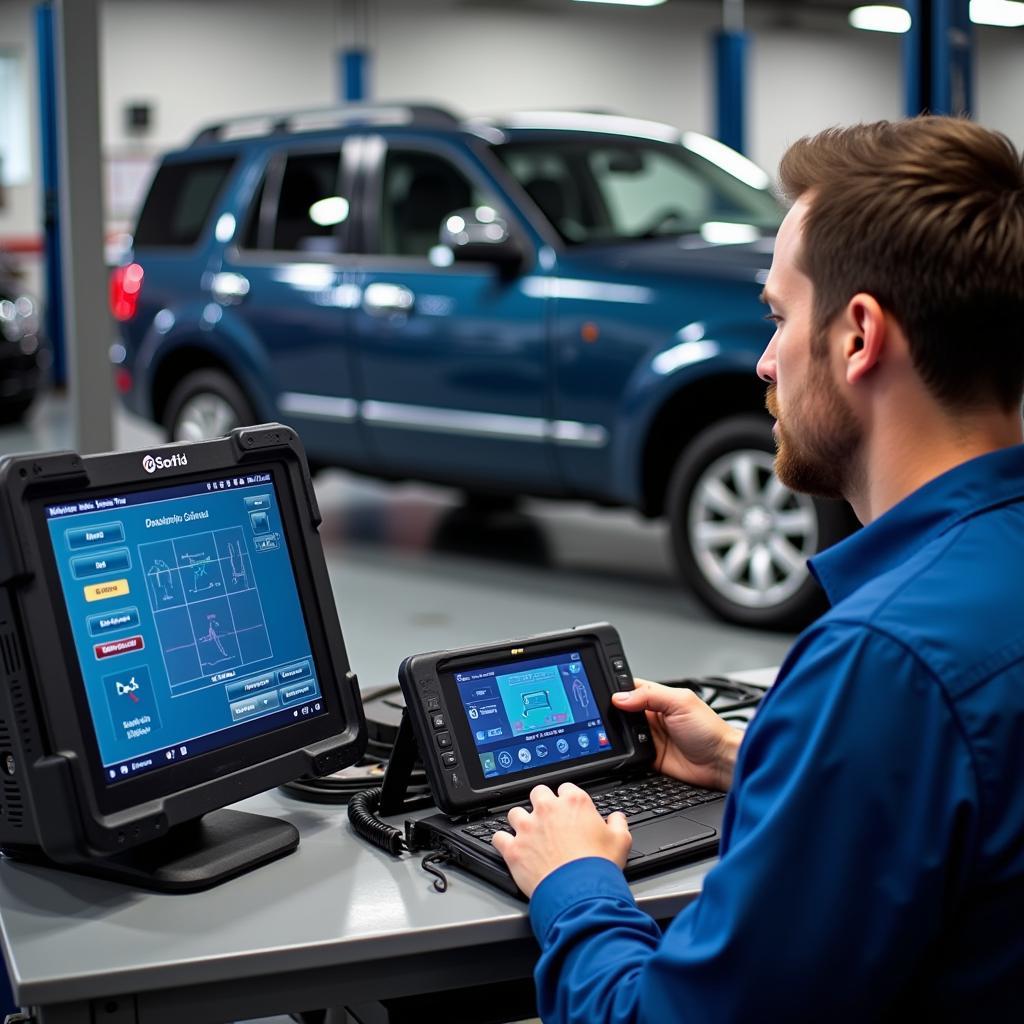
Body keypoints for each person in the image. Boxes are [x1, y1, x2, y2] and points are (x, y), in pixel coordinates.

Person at [492, 116, 1024, 1021]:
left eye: (779, 317)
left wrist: (576, 883)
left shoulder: (884, 662)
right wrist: (763, 760)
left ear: (859, 337)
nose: (763, 362)